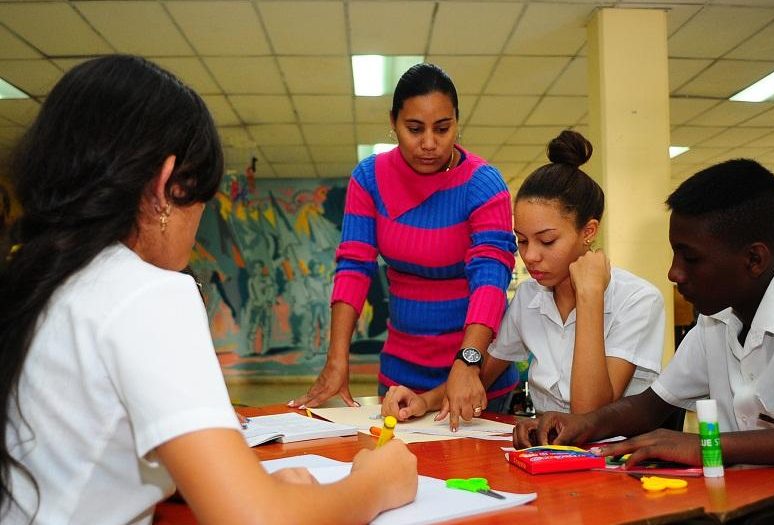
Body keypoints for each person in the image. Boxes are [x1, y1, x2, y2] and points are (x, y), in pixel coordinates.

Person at [0, 55, 417, 524]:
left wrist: (242, 485)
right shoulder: (148, 293)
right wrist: (377, 482)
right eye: (203, 197)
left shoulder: (40, 279)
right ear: (166, 184)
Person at [514, 158, 774, 468]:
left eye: (690, 258)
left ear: (754, 259)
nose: (674, 273)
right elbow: (652, 404)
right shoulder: (714, 321)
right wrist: (581, 424)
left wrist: (707, 445)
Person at [383, 131, 665, 429]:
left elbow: (588, 415)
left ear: (589, 231)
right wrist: (423, 401)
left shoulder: (638, 301)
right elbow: (479, 377)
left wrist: (590, 296)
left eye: (547, 241)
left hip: (617, 459)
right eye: (522, 241)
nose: (530, 256)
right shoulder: (530, 297)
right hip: (546, 450)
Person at [291, 63, 519, 425]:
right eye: (414, 129)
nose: (429, 143)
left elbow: (490, 277)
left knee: (470, 479)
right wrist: (337, 359)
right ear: (393, 121)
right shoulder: (369, 178)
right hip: (401, 375)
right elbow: (354, 265)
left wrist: (468, 360)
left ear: (457, 122)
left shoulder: (483, 184)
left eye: (443, 129)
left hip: (475, 375)